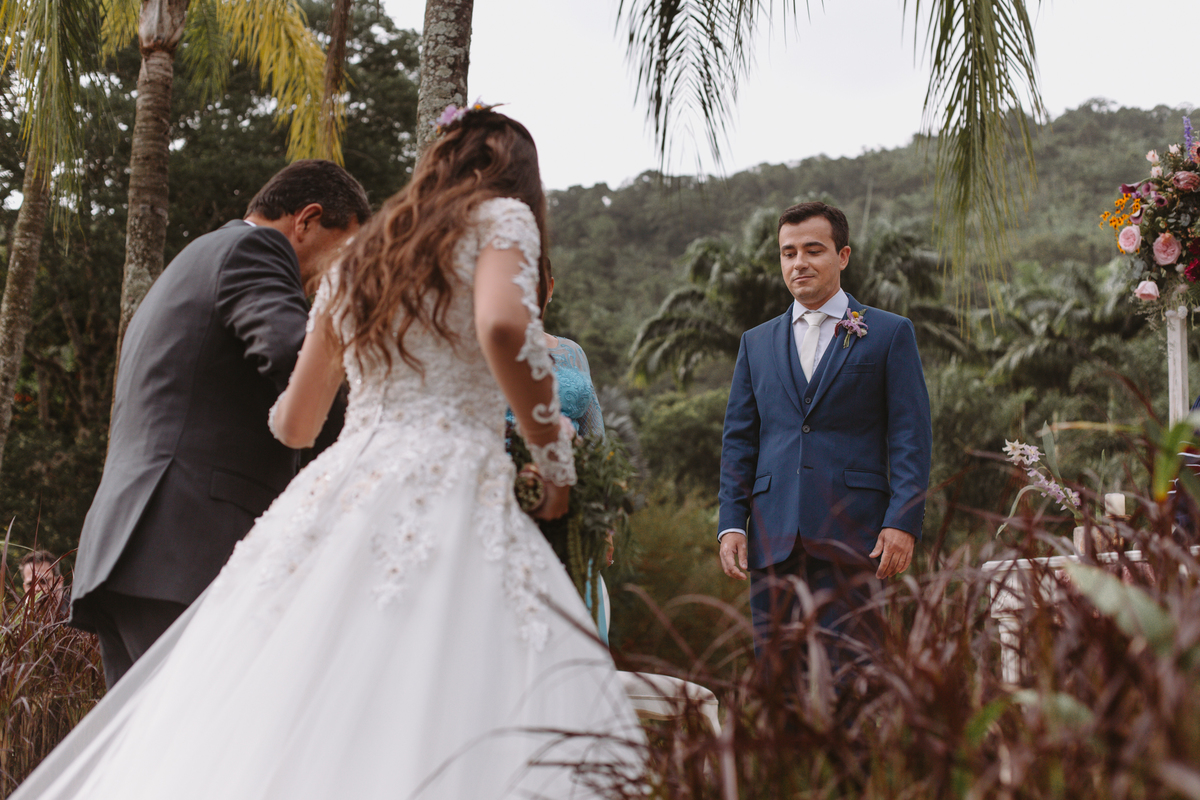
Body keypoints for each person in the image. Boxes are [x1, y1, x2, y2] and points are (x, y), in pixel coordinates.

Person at [13, 106, 640, 800]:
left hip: (241, 522)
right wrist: (553, 463)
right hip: (232, 527)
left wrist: (383, 405)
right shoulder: (502, 219)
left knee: (189, 750)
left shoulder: (361, 262)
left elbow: (293, 425)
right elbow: (500, 325)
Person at [69, 160, 370, 688]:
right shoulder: (255, 250)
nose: (338, 277)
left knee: (155, 759)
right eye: (344, 253)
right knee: (205, 751)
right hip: (185, 546)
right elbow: (290, 356)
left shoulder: (196, 259)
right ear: (307, 220)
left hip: (138, 551)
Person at [717, 200, 932, 670]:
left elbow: (911, 436)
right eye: (788, 252)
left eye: (813, 250)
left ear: (843, 256)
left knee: (854, 679)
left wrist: (903, 521)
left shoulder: (889, 333)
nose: (799, 263)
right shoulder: (755, 343)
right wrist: (731, 522)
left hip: (856, 536)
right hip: (772, 537)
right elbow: (740, 440)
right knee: (778, 683)